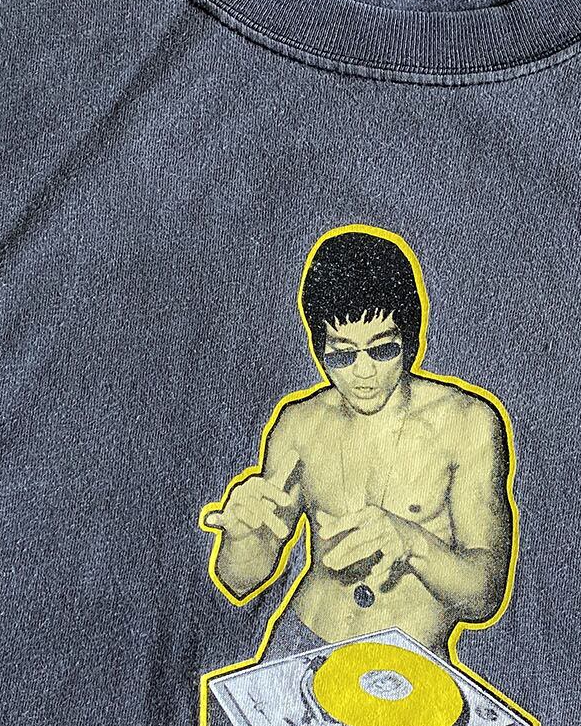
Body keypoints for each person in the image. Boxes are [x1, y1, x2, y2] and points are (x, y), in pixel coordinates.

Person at [200, 227, 516, 662]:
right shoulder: (299, 424)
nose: (363, 373)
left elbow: (485, 594)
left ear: (409, 339)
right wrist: (241, 537)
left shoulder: (467, 423)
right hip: (301, 641)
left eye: (382, 350)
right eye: (343, 355)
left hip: (407, 660)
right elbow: (241, 580)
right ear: (319, 350)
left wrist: (413, 542)